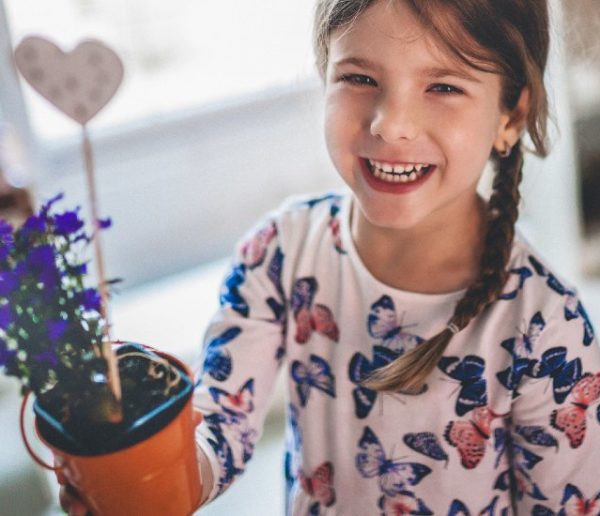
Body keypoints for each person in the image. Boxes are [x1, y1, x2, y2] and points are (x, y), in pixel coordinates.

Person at [61, 0, 600, 514]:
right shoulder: (280, 254)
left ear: (511, 113)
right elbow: (220, 424)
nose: (391, 124)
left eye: (443, 86)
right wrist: (155, 481)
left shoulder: (548, 328)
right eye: (360, 78)